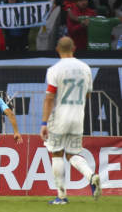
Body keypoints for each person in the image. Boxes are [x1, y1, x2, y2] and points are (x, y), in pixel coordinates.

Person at [40, 37, 101, 204]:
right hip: (78, 117)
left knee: (57, 154)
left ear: (57, 49)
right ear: (74, 48)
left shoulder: (54, 69)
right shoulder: (85, 68)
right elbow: (88, 94)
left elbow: (49, 99)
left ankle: (61, 197)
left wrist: (44, 123)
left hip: (60, 116)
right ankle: (91, 176)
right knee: (72, 153)